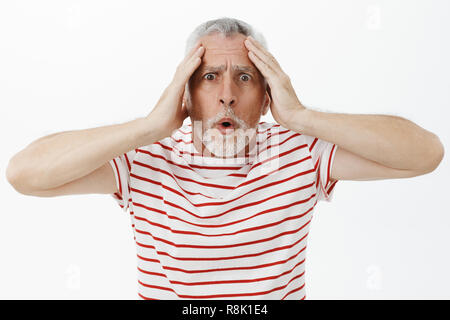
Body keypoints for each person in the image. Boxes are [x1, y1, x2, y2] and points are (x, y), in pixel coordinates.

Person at [6, 17, 444, 300]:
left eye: (246, 77)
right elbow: (24, 175)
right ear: (186, 93)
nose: (227, 95)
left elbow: (425, 154)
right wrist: (148, 125)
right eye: (209, 77)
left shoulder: (299, 150)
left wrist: (302, 117)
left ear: (267, 92)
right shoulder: (143, 157)